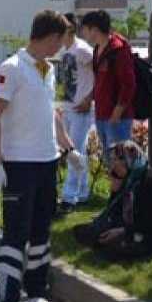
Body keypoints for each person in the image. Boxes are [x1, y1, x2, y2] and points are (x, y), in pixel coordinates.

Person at [0, 10, 86, 302]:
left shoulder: (47, 69)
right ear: (50, 37)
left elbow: (50, 113)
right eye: (61, 40)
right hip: (19, 165)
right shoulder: (12, 69)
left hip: (46, 162)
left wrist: (69, 148)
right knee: (16, 234)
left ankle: (37, 291)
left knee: (41, 230)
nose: (62, 46)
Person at [74, 141, 152, 261]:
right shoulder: (130, 177)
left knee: (113, 248)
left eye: (115, 161)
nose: (112, 165)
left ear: (128, 161)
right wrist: (115, 188)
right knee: (84, 232)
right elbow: (116, 209)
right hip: (132, 225)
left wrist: (123, 231)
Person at [56, 12, 96, 215]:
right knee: (74, 152)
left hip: (81, 109)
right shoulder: (65, 50)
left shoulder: (83, 49)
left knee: (74, 152)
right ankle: (82, 192)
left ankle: (69, 197)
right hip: (69, 108)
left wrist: (89, 99)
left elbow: (99, 75)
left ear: (70, 28)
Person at [82, 10, 136, 158]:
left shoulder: (118, 49)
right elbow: (99, 81)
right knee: (109, 162)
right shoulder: (97, 49)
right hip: (101, 115)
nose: (83, 34)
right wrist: (89, 98)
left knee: (120, 162)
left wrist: (117, 113)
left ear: (94, 29)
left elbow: (129, 84)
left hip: (117, 118)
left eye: (84, 29)